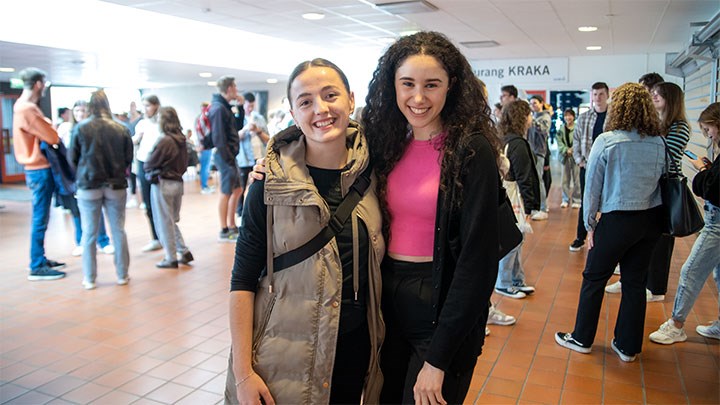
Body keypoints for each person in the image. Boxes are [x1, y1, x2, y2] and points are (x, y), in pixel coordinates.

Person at [225, 59, 384, 405]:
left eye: (331, 95)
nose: (321, 109)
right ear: (294, 114)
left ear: (351, 100)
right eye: (306, 101)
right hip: (283, 357)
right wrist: (243, 374)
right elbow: (242, 281)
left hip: (352, 353)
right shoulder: (269, 185)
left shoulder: (373, 174)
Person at [362, 31, 501, 404]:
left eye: (432, 85)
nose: (418, 98)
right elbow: (318, 137)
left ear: (451, 87)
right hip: (387, 303)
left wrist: (439, 358)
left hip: (442, 305)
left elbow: (478, 262)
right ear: (392, 85)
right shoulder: (383, 141)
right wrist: (277, 154)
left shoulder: (472, 151)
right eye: (407, 84)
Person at [555, 82, 665, 363]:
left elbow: (592, 188)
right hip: (650, 220)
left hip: (616, 219)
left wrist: (590, 225)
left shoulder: (607, 140)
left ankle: (581, 338)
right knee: (634, 283)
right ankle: (627, 347)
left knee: (594, 278)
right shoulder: (658, 141)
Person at [605, 82, 691, 302]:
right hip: (648, 185)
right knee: (640, 240)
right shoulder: (657, 124)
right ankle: (627, 280)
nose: (653, 97)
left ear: (670, 99)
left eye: (658, 95)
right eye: (652, 94)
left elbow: (664, 154)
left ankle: (656, 288)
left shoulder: (679, 127)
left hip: (666, 187)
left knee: (662, 240)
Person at [649, 102, 720, 344]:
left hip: (717, 224)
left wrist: (701, 172)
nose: (708, 134)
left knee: (691, 270)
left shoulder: (678, 129)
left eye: (709, 128)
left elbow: (710, 188)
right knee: (719, 274)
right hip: (715, 219)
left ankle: (676, 324)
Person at [69, 90, 133, 290]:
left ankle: (90, 278)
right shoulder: (121, 128)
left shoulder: (81, 128)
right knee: (118, 230)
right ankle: (122, 275)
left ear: (90, 106)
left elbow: (73, 157)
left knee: (89, 232)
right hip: (116, 184)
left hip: (88, 184)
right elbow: (128, 158)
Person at [13, 67, 67, 280]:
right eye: (43, 84)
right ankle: (36, 264)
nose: (44, 87)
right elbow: (53, 137)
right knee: (40, 217)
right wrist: (50, 127)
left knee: (41, 217)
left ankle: (39, 258)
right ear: (38, 84)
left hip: (36, 169)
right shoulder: (27, 109)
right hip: (39, 169)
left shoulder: (22, 107)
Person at [495, 100, 540, 299]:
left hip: (505, 194)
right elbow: (525, 176)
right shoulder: (518, 144)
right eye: (528, 114)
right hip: (515, 197)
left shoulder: (502, 139)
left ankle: (516, 280)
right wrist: (530, 206)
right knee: (514, 239)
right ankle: (504, 282)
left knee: (516, 239)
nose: (531, 118)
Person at [143, 107, 194, 269]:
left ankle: (171, 257)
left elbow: (150, 163)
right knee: (171, 220)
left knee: (164, 222)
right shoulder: (182, 139)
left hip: (163, 183)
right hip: (178, 182)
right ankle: (183, 250)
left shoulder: (165, 140)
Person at [569, 81, 610, 252]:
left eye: (601, 94)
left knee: (608, 204)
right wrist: (579, 160)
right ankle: (580, 237)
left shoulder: (614, 117)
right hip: (587, 167)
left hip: (610, 169)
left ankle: (605, 240)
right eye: (594, 94)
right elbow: (576, 140)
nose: (597, 98)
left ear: (607, 95)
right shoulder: (584, 118)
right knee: (587, 202)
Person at [209, 76, 243, 242]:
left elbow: (237, 126)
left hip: (229, 156)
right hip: (225, 157)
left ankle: (232, 225)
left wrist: (241, 108)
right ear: (229, 88)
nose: (236, 90)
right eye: (235, 87)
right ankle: (224, 229)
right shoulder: (218, 108)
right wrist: (228, 157)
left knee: (237, 190)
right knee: (226, 192)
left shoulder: (225, 107)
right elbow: (219, 138)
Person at [133, 94, 163, 252]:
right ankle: (155, 237)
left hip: (158, 165)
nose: (145, 109)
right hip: (143, 163)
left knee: (161, 203)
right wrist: (136, 139)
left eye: (148, 105)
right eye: (143, 105)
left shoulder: (162, 123)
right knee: (148, 203)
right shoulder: (141, 124)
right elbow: (134, 142)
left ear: (156, 105)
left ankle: (165, 236)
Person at [528, 95, 549, 218]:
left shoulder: (545, 117)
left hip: (539, 152)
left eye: (535, 103)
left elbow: (542, 130)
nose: (533, 106)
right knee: (533, 180)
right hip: (531, 151)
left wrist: (532, 120)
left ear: (541, 103)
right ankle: (535, 206)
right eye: (531, 104)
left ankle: (543, 207)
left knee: (539, 179)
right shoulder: (532, 117)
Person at [557, 108, 581, 208]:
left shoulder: (578, 128)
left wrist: (573, 149)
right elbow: (559, 142)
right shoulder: (561, 129)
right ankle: (565, 199)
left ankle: (577, 200)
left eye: (570, 115)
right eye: (566, 115)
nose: (568, 117)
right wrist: (566, 150)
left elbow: (579, 140)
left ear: (574, 116)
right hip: (565, 157)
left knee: (577, 179)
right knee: (565, 180)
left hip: (576, 157)